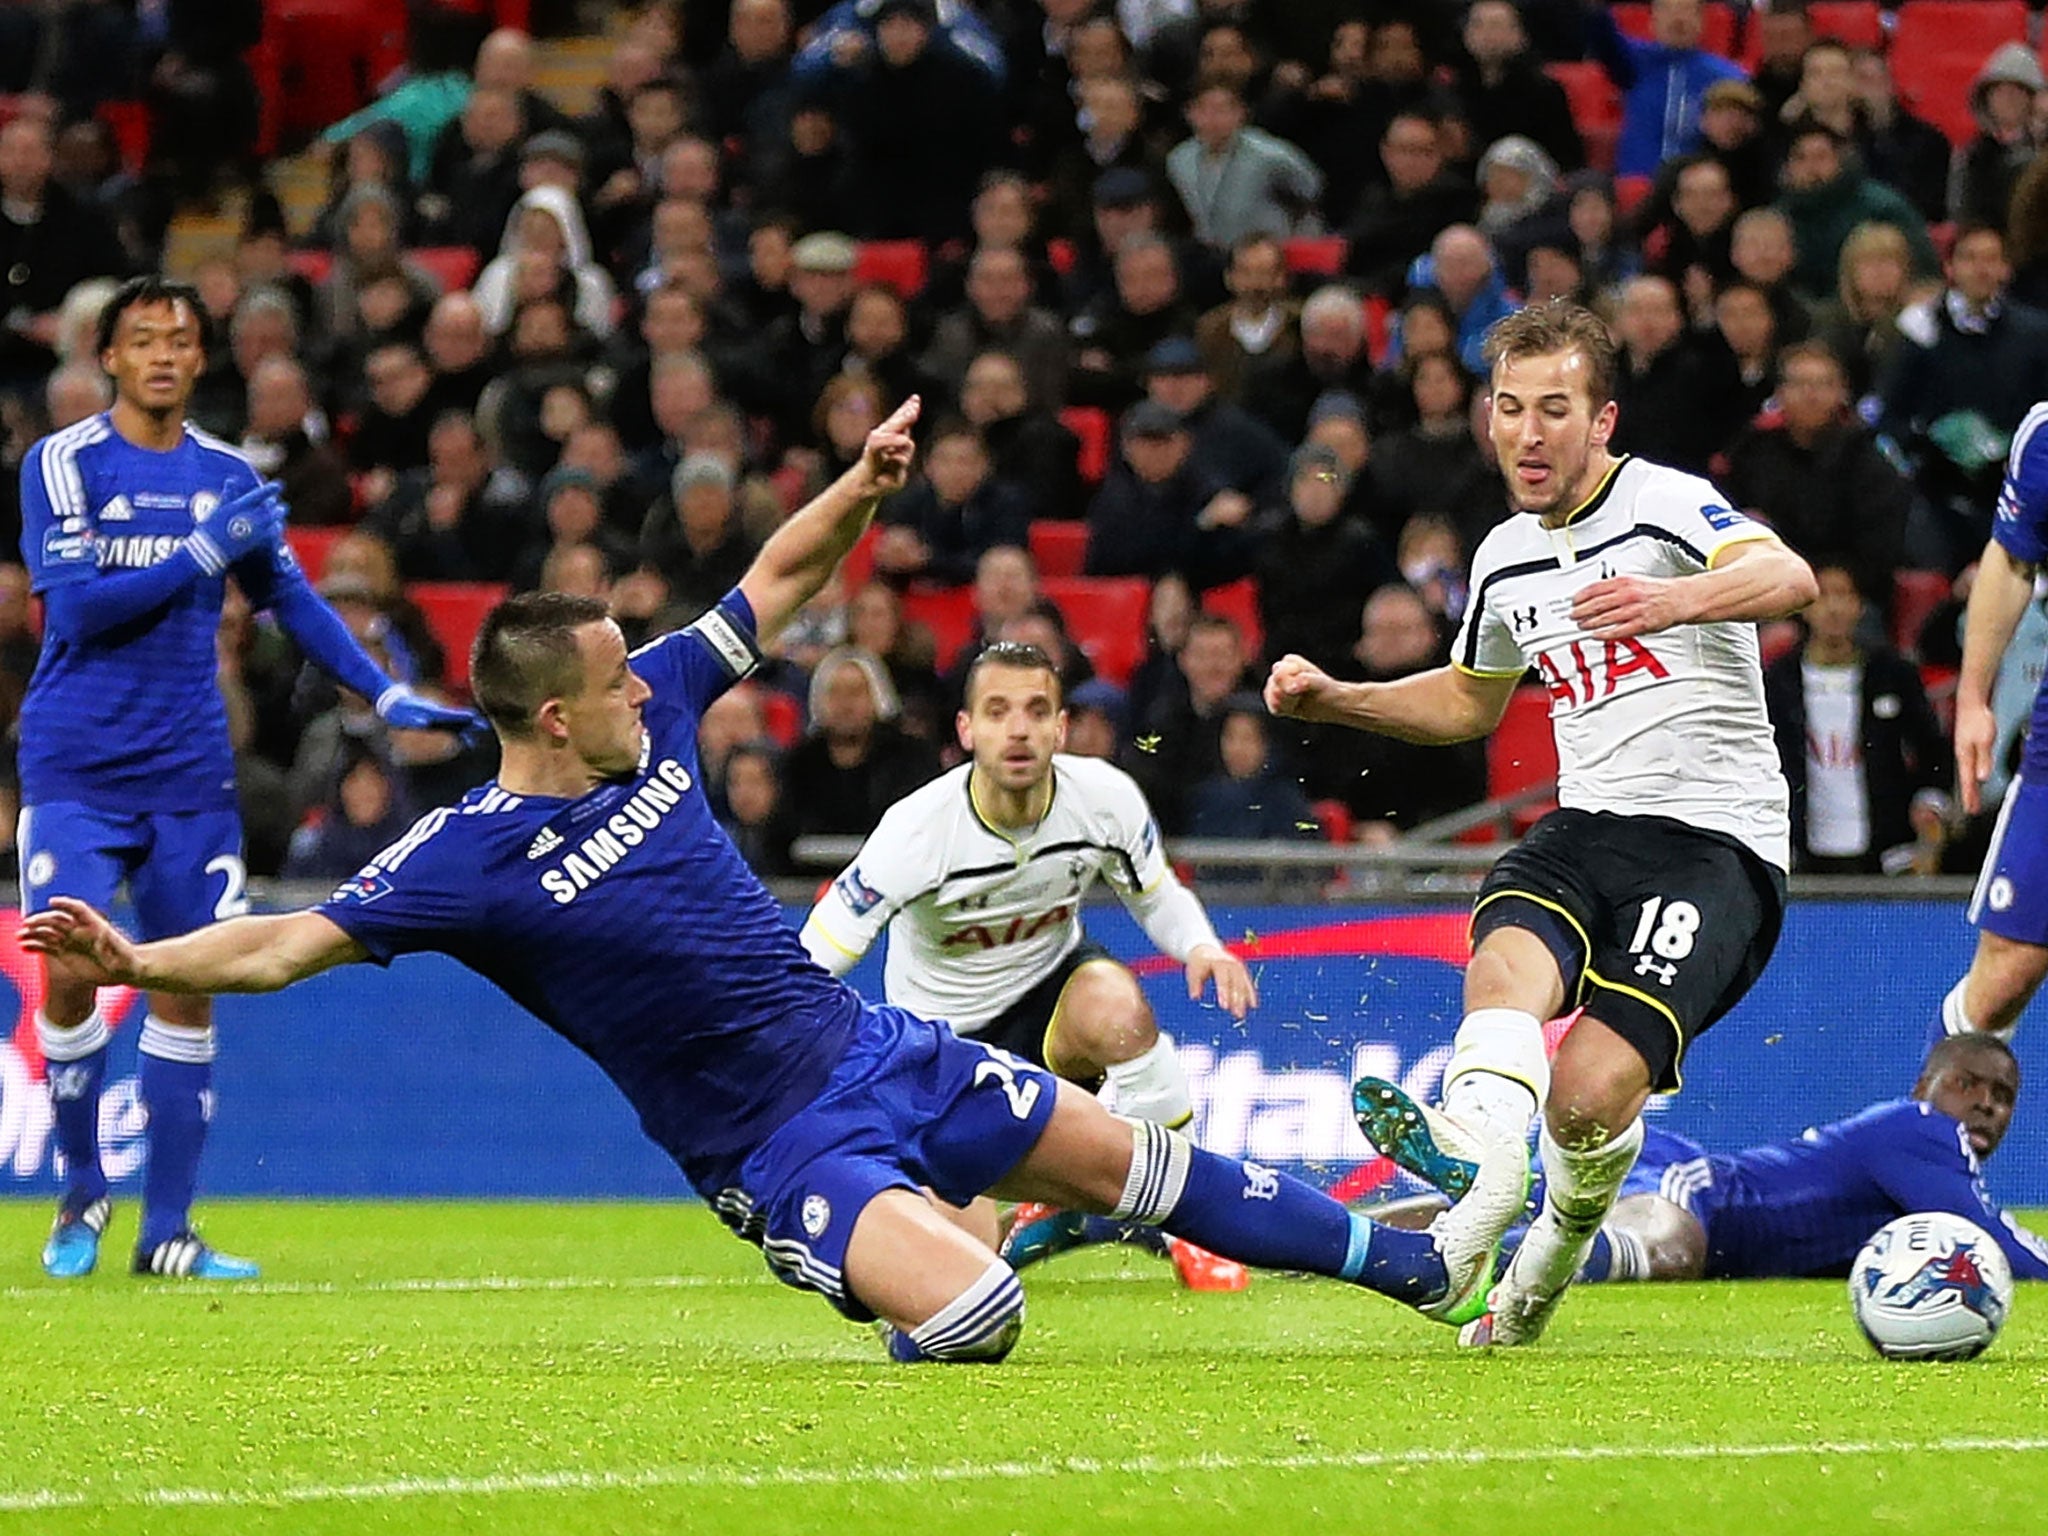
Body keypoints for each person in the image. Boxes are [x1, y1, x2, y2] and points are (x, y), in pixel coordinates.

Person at [23, 396, 1485, 1364]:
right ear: (553, 718)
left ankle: (1413, 1270)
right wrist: (138, 963)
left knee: (1148, 1165)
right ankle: (892, 1262)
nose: (647, 688)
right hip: (775, 1148)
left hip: (881, 1051)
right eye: (615, 682)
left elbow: (772, 585)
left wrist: (859, 485)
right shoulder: (463, 859)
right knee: (979, 1315)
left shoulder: (655, 702)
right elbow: (284, 942)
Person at [1266, 298, 1818, 1346]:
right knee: (1503, 964)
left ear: (1601, 421)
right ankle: (1478, 1160)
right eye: (1509, 407)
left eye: (1553, 410)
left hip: (1713, 845)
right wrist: (1340, 697)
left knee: (1585, 1100)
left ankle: (1539, 1265)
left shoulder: (1662, 504)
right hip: (1586, 825)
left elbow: (1788, 577)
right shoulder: (1504, 556)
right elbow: (1469, 700)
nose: (1526, 433)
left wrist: (1672, 602)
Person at [20, 276, 480, 1281]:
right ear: (110, 356)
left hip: (190, 773)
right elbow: (78, 612)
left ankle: (167, 1233)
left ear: (200, 357)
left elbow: (293, 600)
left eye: (180, 340)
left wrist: (383, 693)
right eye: (144, 339)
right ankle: (82, 1187)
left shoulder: (226, 473)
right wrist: (198, 553)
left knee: (191, 984)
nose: (163, 356)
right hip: (76, 767)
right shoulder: (63, 463)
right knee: (70, 969)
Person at [801, 638, 1258, 1291]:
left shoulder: (1103, 798)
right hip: (944, 1046)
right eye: (998, 711)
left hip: (1053, 1004)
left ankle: (1192, 1224)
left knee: (1117, 1007)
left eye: (1036, 711)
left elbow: (1153, 890)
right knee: (962, 1277)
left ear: (1060, 728)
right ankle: (1053, 1203)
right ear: (966, 730)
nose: (1018, 729)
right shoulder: (917, 830)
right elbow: (825, 944)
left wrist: (1201, 947)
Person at [1369, 1033, 2048, 1284]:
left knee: (1529, 1201)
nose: (1986, 1105)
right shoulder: (1920, 1128)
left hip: (1685, 1187)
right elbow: (1992, 1241)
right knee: (1670, 1249)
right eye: (1969, 1084)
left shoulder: (1912, 1150)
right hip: (1702, 1192)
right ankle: (1500, 1247)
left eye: (2004, 1097)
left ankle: (1358, 1235)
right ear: (1925, 1087)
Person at [1933, 386, 2048, 1045]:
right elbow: (2011, 558)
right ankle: (1933, 1111)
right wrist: (1974, 697)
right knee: (2008, 969)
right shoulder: (2045, 436)